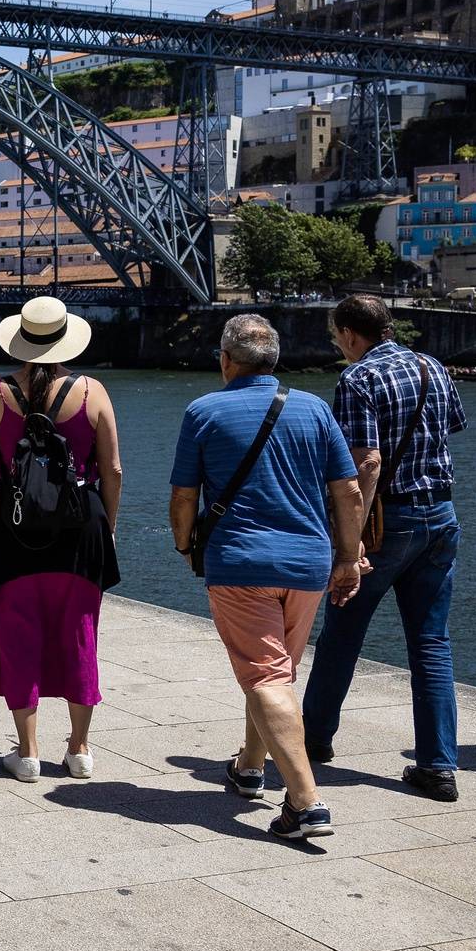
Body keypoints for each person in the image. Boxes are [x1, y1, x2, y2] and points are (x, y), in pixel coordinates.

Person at [168, 314, 363, 840]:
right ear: (274, 361)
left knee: (266, 677)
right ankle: (249, 767)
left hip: (240, 563)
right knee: (275, 673)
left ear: (226, 361)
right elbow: (347, 491)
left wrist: (187, 547)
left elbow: (185, 496)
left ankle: (305, 802)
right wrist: (348, 557)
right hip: (308, 566)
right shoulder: (315, 409)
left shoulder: (204, 411)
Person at [303, 295, 468, 802]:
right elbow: (452, 428)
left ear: (352, 333)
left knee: (342, 628)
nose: (337, 345)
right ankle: (438, 766)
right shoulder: (431, 367)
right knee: (431, 643)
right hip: (440, 515)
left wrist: (350, 544)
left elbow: (366, 463)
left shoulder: (358, 379)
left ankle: (312, 741)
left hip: (386, 520)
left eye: (336, 336)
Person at [0, 298, 122, 782]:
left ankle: (28, 752)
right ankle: (79, 750)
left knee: (18, 634)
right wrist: (108, 528)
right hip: (81, 530)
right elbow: (113, 469)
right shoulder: (92, 391)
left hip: (14, 529)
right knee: (80, 634)